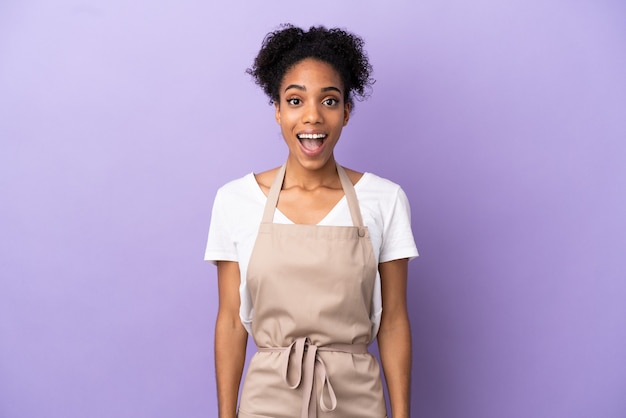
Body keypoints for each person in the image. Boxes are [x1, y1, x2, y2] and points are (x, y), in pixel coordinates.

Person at [205, 24, 418, 418]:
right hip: (268, 399)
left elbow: (393, 322)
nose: (313, 117)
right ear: (278, 111)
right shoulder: (235, 200)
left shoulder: (385, 199)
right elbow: (231, 324)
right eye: (295, 100)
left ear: (347, 112)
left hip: (357, 399)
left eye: (330, 101)